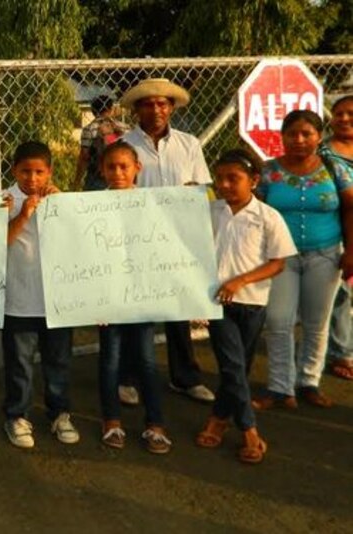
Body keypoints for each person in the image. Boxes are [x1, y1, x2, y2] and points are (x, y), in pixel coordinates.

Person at [196, 149, 296, 465]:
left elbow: (278, 263)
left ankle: (218, 417)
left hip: (253, 303)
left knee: (239, 367)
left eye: (233, 179)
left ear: (254, 180)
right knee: (232, 366)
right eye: (220, 178)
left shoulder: (268, 217)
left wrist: (241, 280)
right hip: (218, 303)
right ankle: (249, 429)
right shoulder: (211, 212)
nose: (224, 185)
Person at [119, 78, 215, 404]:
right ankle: (129, 378)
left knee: (179, 309)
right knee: (137, 310)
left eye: (163, 103)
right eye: (148, 104)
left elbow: (200, 189)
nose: (157, 109)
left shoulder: (189, 145)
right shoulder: (124, 144)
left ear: (171, 107)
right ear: (136, 110)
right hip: (138, 238)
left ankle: (185, 377)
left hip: (177, 238)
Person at [253, 110, 353, 409]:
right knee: (278, 320)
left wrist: (352, 250)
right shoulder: (268, 172)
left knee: (316, 322)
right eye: (292, 134)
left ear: (318, 136)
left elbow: (350, 208)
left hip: (325, 256)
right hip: (280, 258)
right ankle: (280, 387)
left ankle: (308, 381)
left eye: (306, 134)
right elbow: (253, 211)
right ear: (281, 137)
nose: (299, 140)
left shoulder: (334, 169)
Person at [0, 141, 79, 450]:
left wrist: (62, 207)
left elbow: (80, 240)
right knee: (20, 363)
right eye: (25, 171)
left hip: (57, 299)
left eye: (39, 172)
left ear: (49, 172)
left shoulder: (58, 199)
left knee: (57, 361)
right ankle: (17, 415)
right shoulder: (4, 200)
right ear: (14, 170)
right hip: (19, 299)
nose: (32, 179)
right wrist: (22, 214)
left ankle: (59, 413)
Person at [95, 142, 172, 454]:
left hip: (143, 295)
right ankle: (111, 421)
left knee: (147, 360)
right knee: (110, 360)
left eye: (124, 166)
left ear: (137, 168)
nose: (117, 173)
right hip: (108, 298)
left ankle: (155, 424)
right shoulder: (92, 205)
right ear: (102, 170)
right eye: (111, 167)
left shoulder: (153, 204)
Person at [321, 95, 353, 381]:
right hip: (336, 228)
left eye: (350, 113)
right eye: (339, 113)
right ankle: (341, 352)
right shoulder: (323, 154)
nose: (343, 118)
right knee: (341, 293)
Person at [76, 95, 130, 192]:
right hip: (122, 175)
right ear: (111, 109)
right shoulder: (124, 127)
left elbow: (84, 156)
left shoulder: (89, 129)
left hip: (96, 176)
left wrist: (77, 180)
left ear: (93, 111)